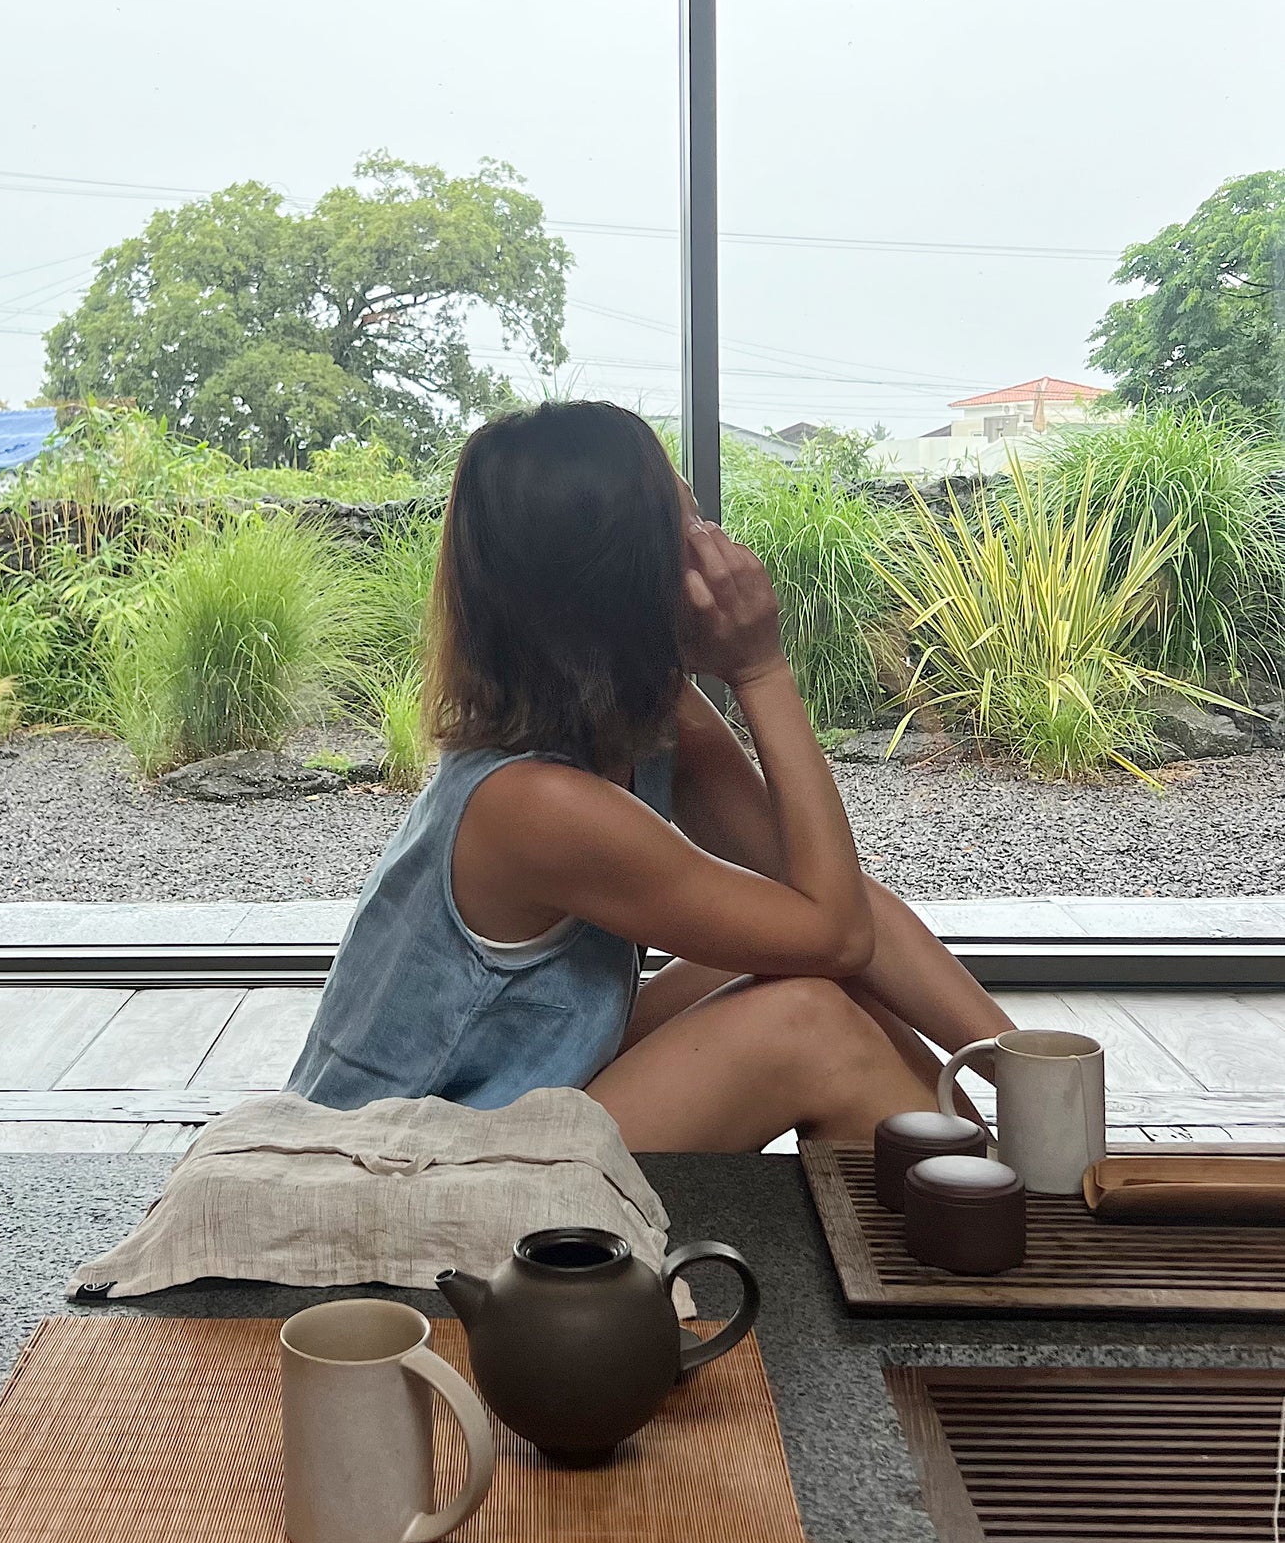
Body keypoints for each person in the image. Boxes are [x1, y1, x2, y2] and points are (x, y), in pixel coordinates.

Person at [288, 399, 1009, 1151]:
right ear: (622, 576)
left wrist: (1030, 1075)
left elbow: (835, 905)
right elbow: (838, 932)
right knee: (813, 1023)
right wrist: (760, 669)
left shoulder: (647, 719)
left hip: (507, 1099)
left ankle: (993, 1187)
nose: (715, 548)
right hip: (392, 1167)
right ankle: (960, 1230)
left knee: (814, 968)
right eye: (688, 526)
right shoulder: (533, 803)